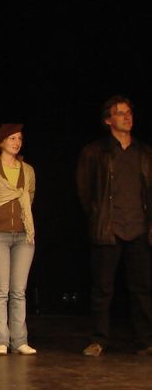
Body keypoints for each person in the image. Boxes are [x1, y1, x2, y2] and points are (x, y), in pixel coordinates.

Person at [76, 96, 152, 356]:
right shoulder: (95, 152)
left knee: (141, 289)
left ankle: (146, 340)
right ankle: (99, 339)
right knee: (102, 289)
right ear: (108, 120)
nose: (127, 117)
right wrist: (100, 216)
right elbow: (85, 192)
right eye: (120, 113)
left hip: (138, 227)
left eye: (129, 112)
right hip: (109, 228)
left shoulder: (145, 152)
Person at [0, 124, 37, 355]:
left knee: (19, 291)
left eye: (19, 138)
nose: (16, 142)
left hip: (24, 236)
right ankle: (0, 340)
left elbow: (29, 199)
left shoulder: (28, 171)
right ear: (0, 142)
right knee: (1, 290)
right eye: (11, 138)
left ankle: (20, 340)